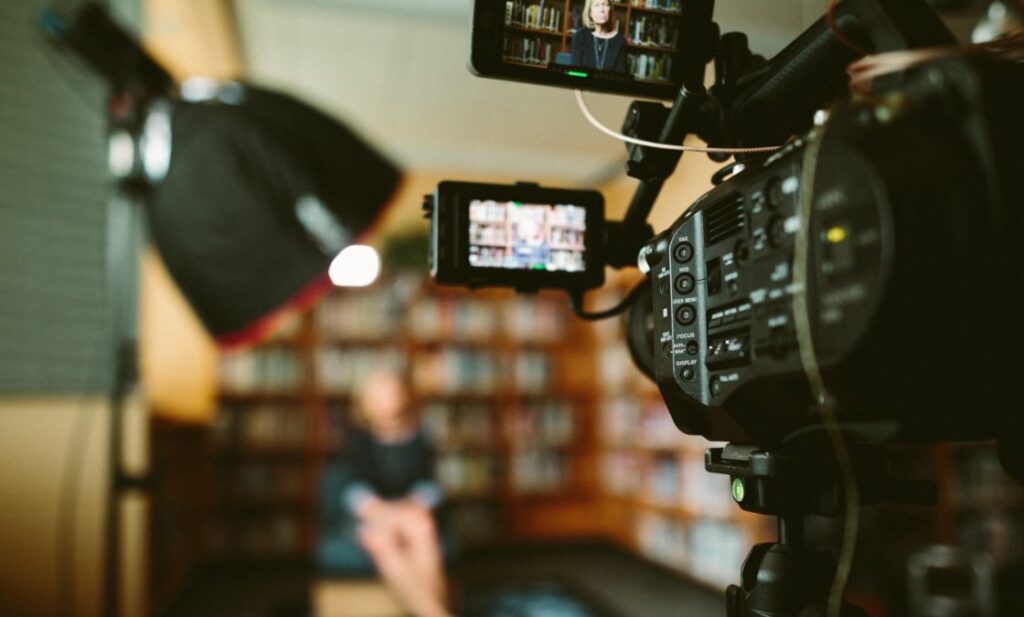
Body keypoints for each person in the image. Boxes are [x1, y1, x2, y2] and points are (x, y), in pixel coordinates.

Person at [338, 368, 451, 617]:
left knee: (422, 529)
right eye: (377, 397)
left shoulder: (420, 436)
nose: (386, 402)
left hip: (411, 512)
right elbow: (353, 489)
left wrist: (410, 507)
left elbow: (430, 485)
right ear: (365, 404)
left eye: (390, 393)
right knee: (381, 540)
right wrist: (382, 512)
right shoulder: (358, 440)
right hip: (375, 515)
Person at [570, 0, 628, 73]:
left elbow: (620, 78)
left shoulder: (620, 41)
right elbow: (575, 73)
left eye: (605, 5)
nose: (601, 10)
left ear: (610, 10)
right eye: (597, 5)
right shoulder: (580, 37)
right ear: (590, 12)